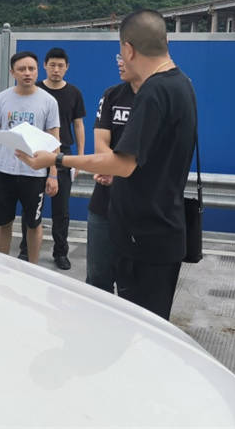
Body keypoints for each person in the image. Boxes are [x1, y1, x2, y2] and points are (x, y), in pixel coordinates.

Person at [16, 9, 197, 320]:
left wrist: (55, 159)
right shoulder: (182, 83)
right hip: (163, 225)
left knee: (135, 325)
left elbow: (122, 164)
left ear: (128, 49)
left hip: (145, 234)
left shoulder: (154, 90)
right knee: (148, 323)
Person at [0, 51, 60, 264]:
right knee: (3, 222)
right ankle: (2, 264)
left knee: (34, 223)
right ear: (12, 72)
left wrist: (53, 174)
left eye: (31, 69)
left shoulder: (48, 101)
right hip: (4, 171)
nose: (27, 73)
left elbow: (54, 139)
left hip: (34, 173)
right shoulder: (1, 99)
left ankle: (33, 268)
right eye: (22, 69)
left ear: (37, 71)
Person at [17, 47, 85, 270]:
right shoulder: (34, 90)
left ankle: (60, 252)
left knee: (61, 210)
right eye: (52, 65)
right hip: (35, 155)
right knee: (31, 207)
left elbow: (78, 125)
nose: (56, 69)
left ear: (67, 68)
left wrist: (79, 157)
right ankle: (26, 250)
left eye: (60, 66)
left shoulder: (74, 93)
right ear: (45, 66)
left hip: (62, 156)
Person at [86, 53, 137, 292]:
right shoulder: (112, 95)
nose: (119, 62)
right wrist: (112, 169)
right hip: (104, 204)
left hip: (140, 209)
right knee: (97, 281)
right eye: (118, 56)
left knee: (134, 287)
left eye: (125, 56)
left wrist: (118, 170)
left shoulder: (157, 97)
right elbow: (100, 143)